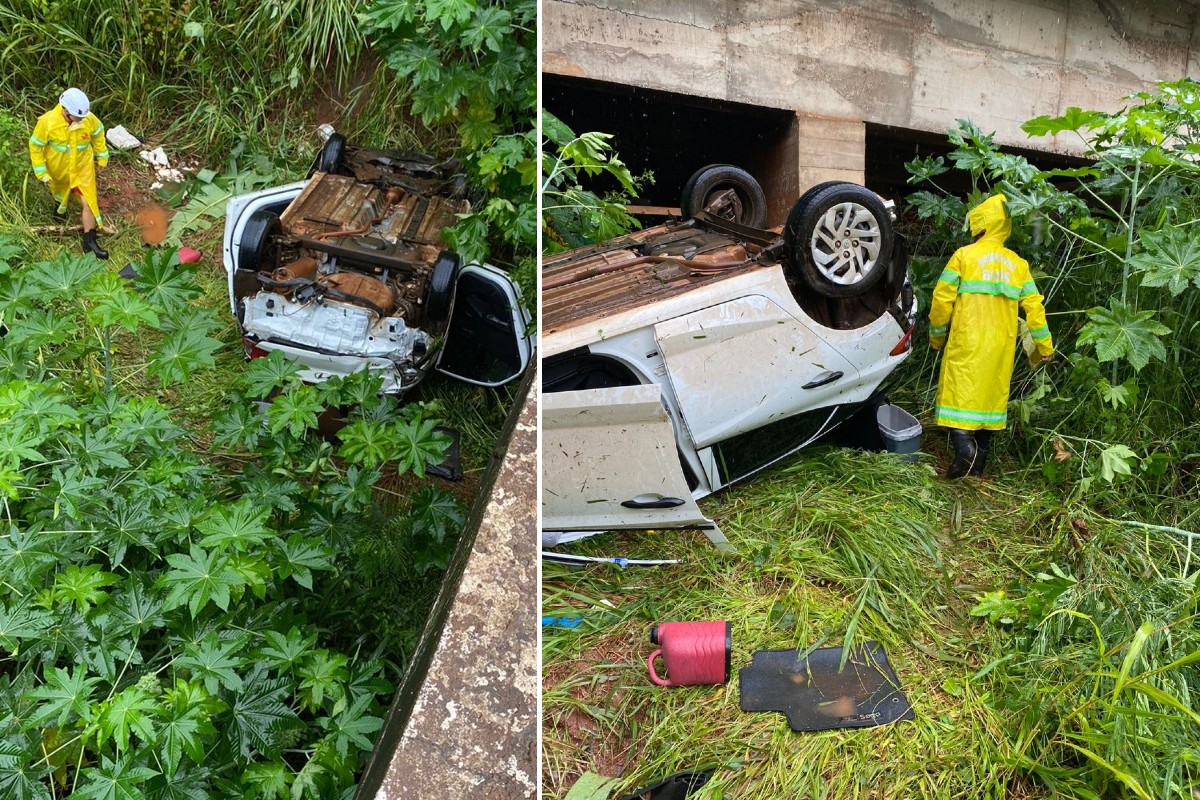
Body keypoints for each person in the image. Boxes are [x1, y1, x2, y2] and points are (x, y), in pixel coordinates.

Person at [929, 193, 1053, 478]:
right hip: (1001, 347)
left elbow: (941, 300)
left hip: (967, 341)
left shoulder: (964, 256)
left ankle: (964, 452)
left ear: (979, 225)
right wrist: (1045, 346)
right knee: (989, 403)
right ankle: (977, 467)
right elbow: (1035, 307)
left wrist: (937, 337)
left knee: (961, 399)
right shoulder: (1018, 265)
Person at [29, 88, 110, 260]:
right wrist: (41, 171)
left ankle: (89, 242)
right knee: (60, 194)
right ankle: (59, 211)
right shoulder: (47, 122)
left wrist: (102, 154)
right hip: (59, 169)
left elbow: (97, 133)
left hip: (83, 168)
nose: (81, 120)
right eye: (77, 117)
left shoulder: (88, 119)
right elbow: (36, 146)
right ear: (65, 110)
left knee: (88, 201)